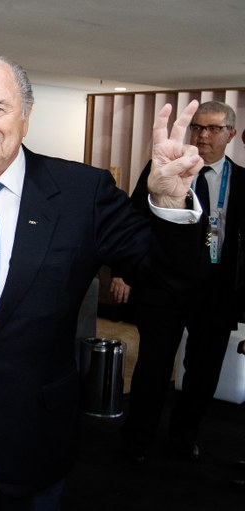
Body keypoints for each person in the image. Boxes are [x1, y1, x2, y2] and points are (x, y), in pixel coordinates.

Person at [0, 55, 207, 510]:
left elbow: (169, 280)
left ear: (25, 117)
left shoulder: (81, 193)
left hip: (36, 437)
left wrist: (169, 202)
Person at [119, 100, 245, 464]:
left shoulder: (241, 181)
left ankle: (184, 433)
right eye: (197, 128)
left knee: (203, 371)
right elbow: (134, 223)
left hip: (218, 290)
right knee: (154, 366)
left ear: (231, 134)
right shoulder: (163, 169)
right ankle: (138, 437)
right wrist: (128, 274)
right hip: (165, 287)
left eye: (213, 129)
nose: (203, 135)